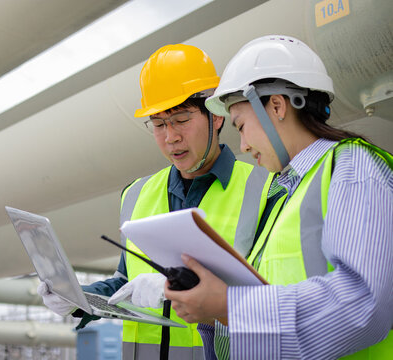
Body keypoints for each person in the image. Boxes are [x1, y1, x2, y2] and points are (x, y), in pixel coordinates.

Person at [37, 44, 274, 360]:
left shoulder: (265, 189)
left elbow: (276, 297)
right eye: (159, 124)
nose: (170, 137)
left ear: (216, 117)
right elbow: (125, 283)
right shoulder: (136, 194)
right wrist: (80, 299)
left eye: (181, 119)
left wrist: (173, 285)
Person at [165, 35, 393, 359]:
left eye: (241, 125)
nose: (242, 145)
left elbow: (362, 304)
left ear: (276, 106)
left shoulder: (352, 168)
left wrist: (230, 306)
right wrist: (213, 305)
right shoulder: (284, 192)